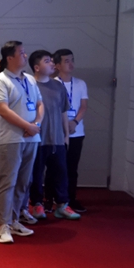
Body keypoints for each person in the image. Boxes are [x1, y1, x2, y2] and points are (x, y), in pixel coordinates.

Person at [0, 40, 42, 244]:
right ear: (9, 57)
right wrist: (27, 126)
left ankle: (14, 220)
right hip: (11, 138)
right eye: (21, 53)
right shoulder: (0, 81)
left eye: (25, 52)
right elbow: (3, 110)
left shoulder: (29, 79)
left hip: (32, 137)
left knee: (24, 181)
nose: (25, 56)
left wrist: (36, 124)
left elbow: (40, 104)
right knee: (8, 181)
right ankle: (3, 225)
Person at [28, 50, 81, 221]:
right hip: (37, 139)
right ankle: (37, 204)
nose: (52, 64)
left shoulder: (58, 86)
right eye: (47, 61)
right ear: (37, 67)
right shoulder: (30, 85)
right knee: (36, 174)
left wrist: (66, 135)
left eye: (51, 60)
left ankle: (62, 205)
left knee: (61, 173)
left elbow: (63, 111)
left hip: (57, 138)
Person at [53, 49, 88, 213]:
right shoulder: (52, 83)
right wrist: (63, 125)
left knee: (72, 168)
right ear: (57, 65)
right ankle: (53, 198)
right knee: (56, 167)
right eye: (66, 61)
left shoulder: (80, 83)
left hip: (76, 131)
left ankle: (71, 199)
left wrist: (74, 122)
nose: (71, 64)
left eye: (72, 60)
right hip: (57, 132)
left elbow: (83, 106)